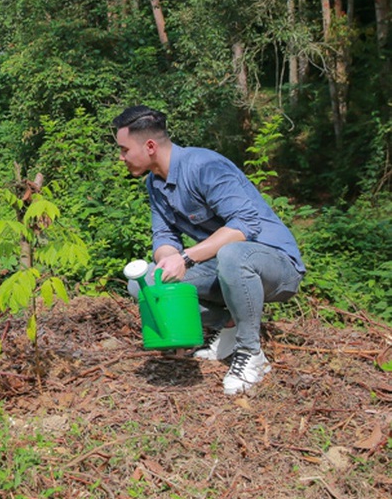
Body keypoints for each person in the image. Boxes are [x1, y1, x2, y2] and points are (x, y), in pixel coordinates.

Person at [112, 105, 305, 395]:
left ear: (149, 146)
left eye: (125, 149)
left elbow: (243, 227)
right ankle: (227, 325)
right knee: (145, 285)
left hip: (275, 265)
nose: (121, 157)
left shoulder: (204, 166)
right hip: (225, 269)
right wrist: (168, 262)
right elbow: (164, 236)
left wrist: (186, 258)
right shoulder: (155, 183)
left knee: (233, 254)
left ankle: (251, 354)